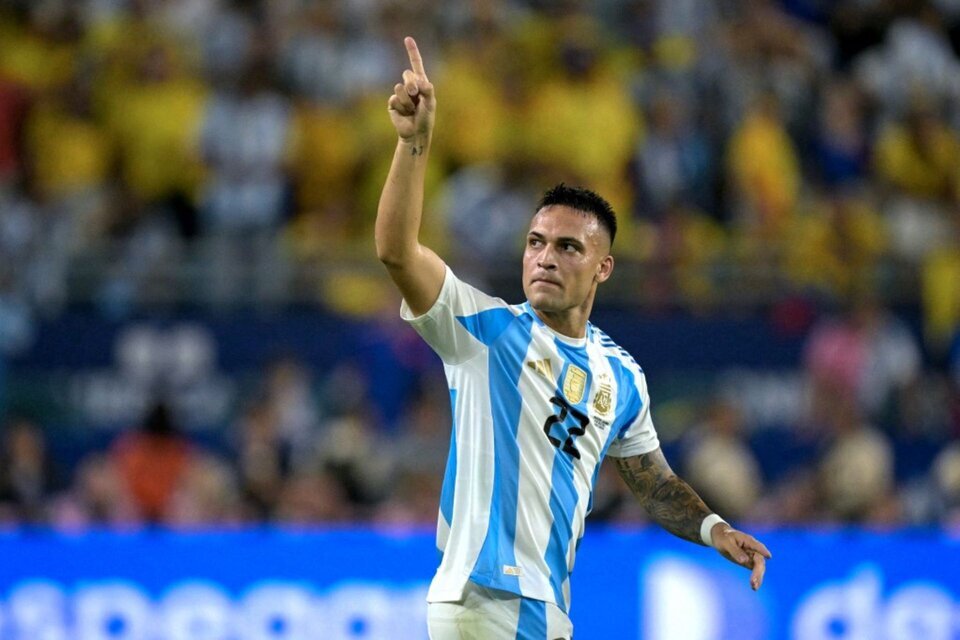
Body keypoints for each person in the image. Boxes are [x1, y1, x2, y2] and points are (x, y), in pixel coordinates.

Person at [376, 37, 772, 640]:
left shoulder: (620, 375)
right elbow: (396, 251)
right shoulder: (485, 332)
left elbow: (654, 482)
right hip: (486, 599)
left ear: (603, 268)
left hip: (546, 608)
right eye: (536, 243)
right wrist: (413, 142)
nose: (545, 258)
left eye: (567, 247)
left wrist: (714, 528)